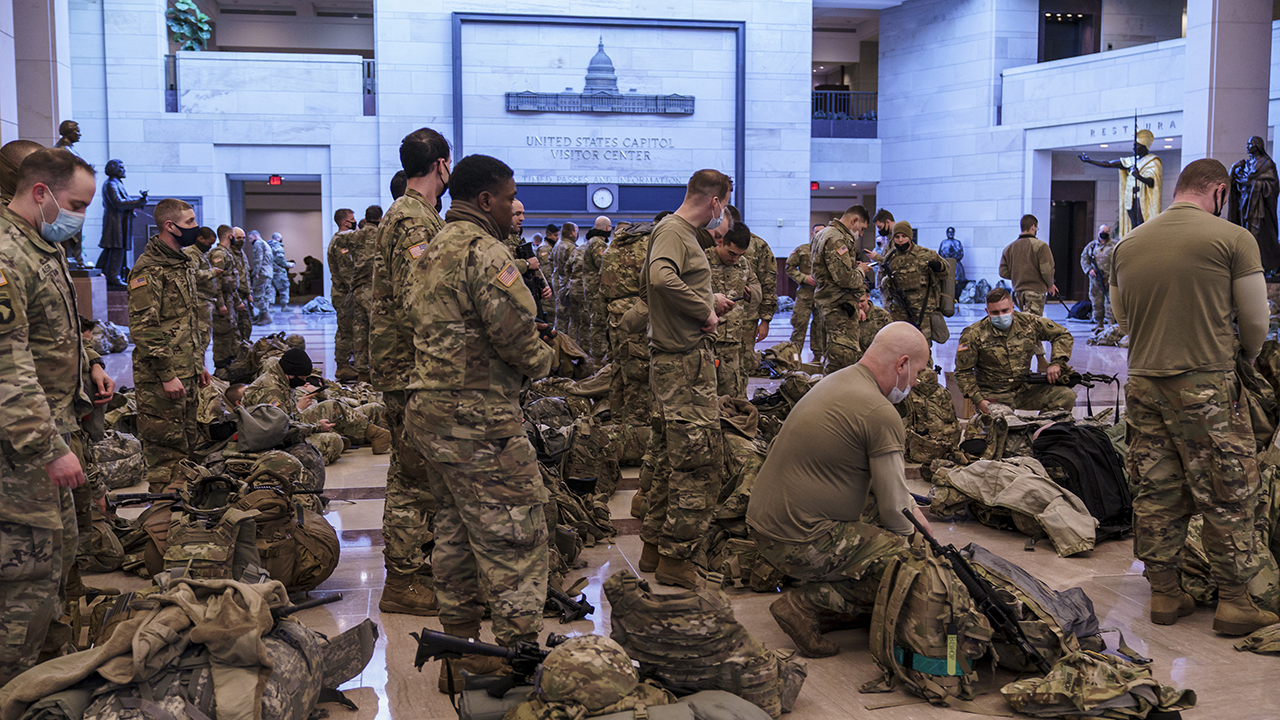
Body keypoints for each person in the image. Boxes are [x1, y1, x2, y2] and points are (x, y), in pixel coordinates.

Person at [403, 154, 556, 688]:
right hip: (481, 423)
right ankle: (516, 663)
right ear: (486, 199)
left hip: (430, 415)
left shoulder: (426, 249)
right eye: (510, 194)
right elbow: (517, 339)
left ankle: (458, 653)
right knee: (517, 534)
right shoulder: (485, 252)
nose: (515, 203)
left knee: (454, 531)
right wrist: (550, 360)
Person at [1112, 158, 1277, 636]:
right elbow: (1256, 323)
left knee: (1156, 489)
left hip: (1143, 383)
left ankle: (1165, 594)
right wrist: (1244, 358)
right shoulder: (1233, 239)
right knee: (1228, 491)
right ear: (1220, 192)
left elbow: (1123, 321)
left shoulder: (1129, 243)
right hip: (1206, 385)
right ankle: (1234, 603)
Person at [747, 322, 932, 658]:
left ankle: (834, 601)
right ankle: (806, 606)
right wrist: (926, 549)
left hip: (767, 527)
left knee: (880, 537)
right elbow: (896, 512)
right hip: (799, 539)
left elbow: (891, 496)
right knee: (908, 564)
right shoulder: (880, 412)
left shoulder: (840, 380)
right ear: (902, 364)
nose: (916, 382)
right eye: (918, 372)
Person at [0, 148, 115, 686]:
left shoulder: (41, 246)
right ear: (41, 192)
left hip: (56, 427)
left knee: (59, 560)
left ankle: (46, 677)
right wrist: (48, 447)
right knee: (26, 578)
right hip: (21, 451)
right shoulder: (6, 253)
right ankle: (14, 686)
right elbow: (7, 364)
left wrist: (90, 366)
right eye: (76, 203)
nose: (81, 216)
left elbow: (57, 330)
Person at [639, 169, 735, 590]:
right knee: (697, 466)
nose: (724, 213)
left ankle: (653, 548)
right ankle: (676, 560)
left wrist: (706, 299)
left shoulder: (675, 232)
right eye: (725, 204)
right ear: (715, 201)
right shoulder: (676, 231)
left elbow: (665, 284)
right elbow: (660, 280)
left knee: (667, 459)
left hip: (678, 363)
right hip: (683, 367)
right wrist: (705, 311)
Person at [371, 127, 451, 616]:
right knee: (412, 477)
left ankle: (416, 565)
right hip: (412, 369)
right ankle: (401, 580)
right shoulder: (413, 221)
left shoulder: (416, 215)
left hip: (410, 366)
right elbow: (418, 301)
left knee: (418, 473)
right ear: (442, 165)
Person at [129, 198, 209, 492]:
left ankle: (185, 523)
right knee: (166, 457)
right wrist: (166, 374)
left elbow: (188, 319)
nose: (196, 228)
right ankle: (163, 525)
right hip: (161, 378)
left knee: (188, 448)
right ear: (170, 226)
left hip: (186, 370)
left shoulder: (181, 262)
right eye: (190, 223)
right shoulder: (149, 269)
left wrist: (198, 363)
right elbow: (144, 328)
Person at [242, 347, 390, 452]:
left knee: (332, 407)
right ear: (291, 374)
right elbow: (282, 430)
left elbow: (291, 417)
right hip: (273, 442)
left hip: (289, 424)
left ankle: (375, 434)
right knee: (330, 442)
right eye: (303, 378)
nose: (305, 382)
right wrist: (317, 427)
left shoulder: (282, 379)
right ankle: (349, 436)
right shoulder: (270, 391)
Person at [953, 287, 1076, 414]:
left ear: (1013, 307)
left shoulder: (1029, 322)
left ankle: (1044, 428)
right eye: (995, 312)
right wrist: (979, 400)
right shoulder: (973, 334)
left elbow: (1062, 334)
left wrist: (1057, 362)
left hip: (1025, 389)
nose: (1001, 316)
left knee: (1066, 396)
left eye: (1005, 310)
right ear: (987, 311)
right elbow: (963, 372)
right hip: (994, 394)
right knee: (1002, 428)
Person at [600, 218, 654, 428]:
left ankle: (616, 422)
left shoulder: (615, 244)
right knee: (639, 375)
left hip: (614, 314)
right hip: (637, 314)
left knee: (618, 369)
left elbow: (602, 286)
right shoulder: (649, 244)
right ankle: (635, 429)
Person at [812, 205, 873, 373]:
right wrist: (861, 271)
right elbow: (845, 279)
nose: (860, 234)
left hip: (829, 304)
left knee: (833, 356)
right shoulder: (837, 238)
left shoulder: (824, 234)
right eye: (861, 229)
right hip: (838, 308)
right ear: (854, 221)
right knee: (842, 362)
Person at [707, 221, 760, 399]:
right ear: (720, 242)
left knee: (731, 396)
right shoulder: (702, 259)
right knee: (706, 395)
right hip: (707, 340)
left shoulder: (743, 264)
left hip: (732, 341)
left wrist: (752, 292)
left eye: (740, 255)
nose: (734, 259)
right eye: (731, 253)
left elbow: (755, 285)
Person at [1078, 128, 1163, 238]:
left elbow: (1153, 182)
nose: (1133, 148)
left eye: (1136, 145)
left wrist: (1139, 177)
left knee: (1142, 223)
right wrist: (1090, 161)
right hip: (1130, 198)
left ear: (1143, 146)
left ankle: (1144, 241)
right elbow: (1109, 164)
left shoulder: (1153, 161)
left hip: (1141, 199)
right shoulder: (1132, 161)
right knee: (1134, 225)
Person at [879, 221, 948, 347]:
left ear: (910, 237)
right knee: (899, 346)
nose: (900, 240)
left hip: (922, 311)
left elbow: (946, 273)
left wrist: (939, 267)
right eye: (897, 237)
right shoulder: (890, 258)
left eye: (904, 236)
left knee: (923, 346)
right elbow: (882, 283)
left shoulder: (927, 254)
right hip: (898, 310)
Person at [731, 206, 777, 376]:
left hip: (747, 317)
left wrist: (765, 319)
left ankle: (740, 400)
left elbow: (769, 283)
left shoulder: (758, 245)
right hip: (718, 315)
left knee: (743, 364)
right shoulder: (713, 241)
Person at [1228, 135, 1280, 275]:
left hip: (1259, 208)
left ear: (1258, 145)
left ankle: (1263, 264)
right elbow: (1233, 181)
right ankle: (1247, 264)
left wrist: (1256, 185)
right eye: (1247, 143)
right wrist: (1234, 169)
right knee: (1244, 235)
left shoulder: (1267, 164)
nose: (1247, 146)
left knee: (1258, 235)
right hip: (1244, 205)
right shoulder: (1245, 165)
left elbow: (1273, 186)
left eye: (1250, 143)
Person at [97, 159, 147, 289]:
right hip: (114, 222)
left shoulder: (117, 183)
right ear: (115, 169)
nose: (124, 170)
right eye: (122, 167)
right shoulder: (110, 184)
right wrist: (138, 202)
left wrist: (138, 202)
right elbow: (118, 202)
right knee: (116, 248)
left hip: (121, 221)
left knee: (112, 248)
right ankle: (113, 277)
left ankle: (102, 272)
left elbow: (125, 201)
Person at [348, 206, 382, 382]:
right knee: (377, 331)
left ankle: (362, 374)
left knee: (360, 332)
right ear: (380, 218)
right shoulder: (381, 234)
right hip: (374, 288)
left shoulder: (354, 236)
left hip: (357, 288)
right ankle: (377, 372)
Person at [999, 214, 1056, 316]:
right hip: (1035, 292)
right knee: (1032, 324)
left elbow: (1003, 272)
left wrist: (1019, 275)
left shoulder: (1009, 248)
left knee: (1025, 320)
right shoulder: (1041, 246)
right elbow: (1046, 270)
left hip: (1017, 293)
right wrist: (1050, 284)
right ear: (1033, 227)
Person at [327, 208, 358, 380]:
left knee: (348, 329)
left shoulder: (341, 239)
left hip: (345, 293)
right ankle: (342, 366)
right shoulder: (340, 241)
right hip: (344, 294)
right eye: (352, 219)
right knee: (345, 330)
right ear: (345, 222)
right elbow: (347, 272)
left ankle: (346, 362)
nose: (355, 221)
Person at [209, 225, 246, 369]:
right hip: (223, 302)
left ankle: (231, 364)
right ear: (230, 236)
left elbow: (231, 282)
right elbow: (216, 282)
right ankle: (221, 367)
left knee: (231, 333)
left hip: (229, 300)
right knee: (222, 336)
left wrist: (237, 301)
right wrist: (220, 304)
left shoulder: (227, 253)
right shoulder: (219, 254)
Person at [184, 226, 221, 360]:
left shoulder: (200, 254)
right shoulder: (191, 253)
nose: (210, 247)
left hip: (205, 301)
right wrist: (213, 272)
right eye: (209, 243)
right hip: (198, 300)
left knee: (204, 339)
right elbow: (192, 275)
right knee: (200, 338)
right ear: (200, 239)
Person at [785, 237, 824, 361]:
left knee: (819, 327)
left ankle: (817, 358)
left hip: (822, 295)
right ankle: (794, 359)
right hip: (804, 295)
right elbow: (789, 267)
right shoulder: (802, 250)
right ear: (813, 234)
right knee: (799, 326)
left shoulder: (828, 251)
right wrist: (803, 278)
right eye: (817, 232)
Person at [583, 216, 613, 362]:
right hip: (596, 290)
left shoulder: (593, 241)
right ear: (607, 228)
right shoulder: (597, 243)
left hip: (593, 289)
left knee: (598, 324)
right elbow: (604, 263)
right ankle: (597, 360)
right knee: (599, 325)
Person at [1079, 224, 1115, 329]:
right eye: (1103, 231)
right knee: (1096, 302)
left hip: (1110, 280)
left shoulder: (1114, 245)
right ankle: (1099, 324)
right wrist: (1089, 269)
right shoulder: (1092, 246)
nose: (1105, 233)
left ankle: (1111, 324)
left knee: (1110, 302)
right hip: (1096, 280)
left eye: (1107, 231)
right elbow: (1084, 259)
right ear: (1098, 232)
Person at [551, 222, 579, 338]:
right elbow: (574, 268)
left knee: (560, 315)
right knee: (569, 317)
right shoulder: (571, 248)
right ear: (572, 232)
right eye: (576, 232)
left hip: (558, 281)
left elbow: (550, 262)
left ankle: (558, 340)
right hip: (567, 284)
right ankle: (567, 343)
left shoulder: (557, 245)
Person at [229, 227, 253, 341]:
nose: (242, 241)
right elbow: (228, 280)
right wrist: (237, 300)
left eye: (243, 238)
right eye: (239, 238)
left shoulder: (242, 253)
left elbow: (246, 274)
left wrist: (249, 293)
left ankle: (245, 350)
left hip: (244, 296)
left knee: (246, 327)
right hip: (233, 298)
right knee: (234, 330)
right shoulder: (228, 254)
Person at [249, 230, 273, 324]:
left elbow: (258, 259)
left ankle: (265, 315)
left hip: (262, 273)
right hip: (268, 272)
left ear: (255, 236)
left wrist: (256, 272)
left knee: (257, 295)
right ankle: (262, 316)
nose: (250, 241)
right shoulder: (266, 244)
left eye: (250, 238)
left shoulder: (258, 243)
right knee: (265, 296)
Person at [268, 232, 293, 311]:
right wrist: (287, 264)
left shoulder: (267, 246)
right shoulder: (277, 246)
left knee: (270, 289)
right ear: (278, 238)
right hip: (278, 272)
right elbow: (280, 258)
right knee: (284, 288)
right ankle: (284, 306)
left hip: (269, 271)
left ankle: (270, 307)